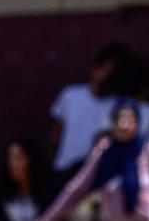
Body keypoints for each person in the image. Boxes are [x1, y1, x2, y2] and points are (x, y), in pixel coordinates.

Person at [50, 44, 131, 175]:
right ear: (95, 70)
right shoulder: (70, 95)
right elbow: (55, 135)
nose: (110, 77)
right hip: (63, 169)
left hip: (94, 176)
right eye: (107, 71)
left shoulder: (120, 106)